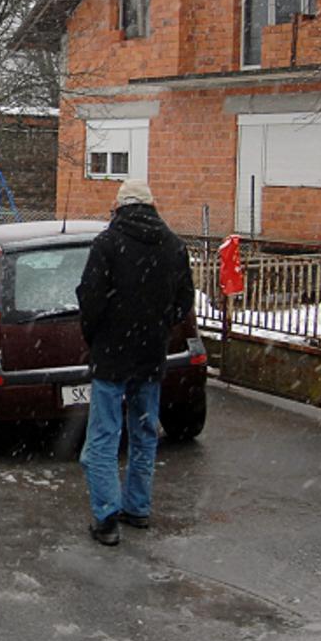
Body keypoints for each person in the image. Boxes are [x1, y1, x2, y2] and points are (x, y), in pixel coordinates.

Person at [75, 178, 194, 546]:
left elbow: (90, 299)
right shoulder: (174, 246)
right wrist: (159, 325)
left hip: (112, 357)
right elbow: (184, 300)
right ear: (151, 206)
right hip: (150, 357)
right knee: (144, 435)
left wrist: (97, 336)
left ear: (120, 206)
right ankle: (137, 508)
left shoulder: (108, 244)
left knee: (105, 437)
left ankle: (107, 518)